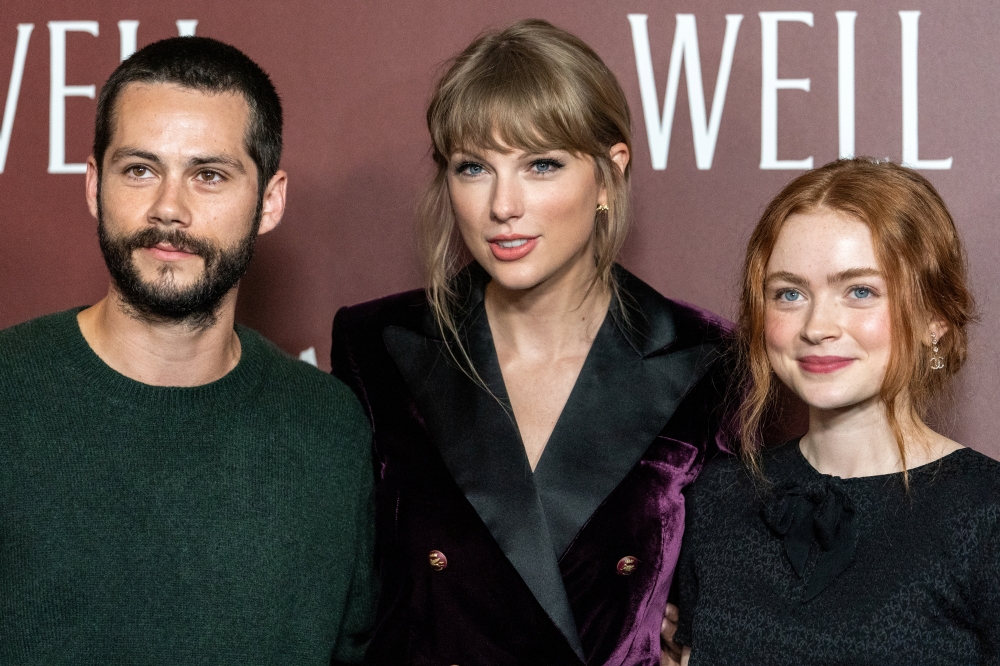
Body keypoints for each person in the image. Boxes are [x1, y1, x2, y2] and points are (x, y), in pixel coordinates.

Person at [331, 19, 731, 665]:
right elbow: (347, 597)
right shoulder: (377, 346)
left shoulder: (708, 359)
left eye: (541, 165)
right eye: (473, 168)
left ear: (609, 174)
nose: (503, 205)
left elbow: (733, 600)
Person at [0, 37, 375, 664]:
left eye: (209, 176)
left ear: (270, 201)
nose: (168, 209)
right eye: (139, 170)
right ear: (93, 185)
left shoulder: (329, 430)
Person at [673, 158, 1000, 664]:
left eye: (860, 291)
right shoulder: (719, 496)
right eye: (790, 293)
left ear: (934, 318)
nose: (816, 326)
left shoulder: (986, 511)